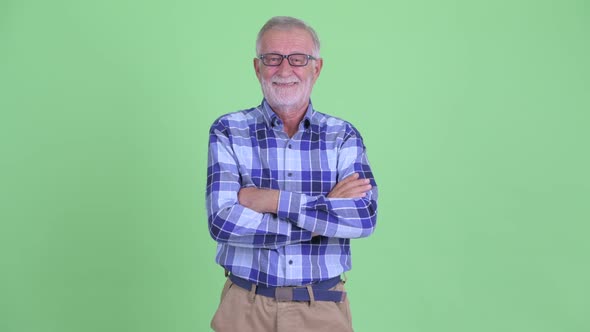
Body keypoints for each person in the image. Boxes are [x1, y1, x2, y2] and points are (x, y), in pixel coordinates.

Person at [206, 16, 378, 332]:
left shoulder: (342, 136)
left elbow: (362, 217)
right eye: (272, 59)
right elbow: (223, 221)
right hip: (245, 308)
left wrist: (270, 199)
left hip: (322, 308)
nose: (285, 70)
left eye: (298, 59)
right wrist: (320, 216)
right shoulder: (229, 130)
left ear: (317, 67)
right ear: (258, 68)